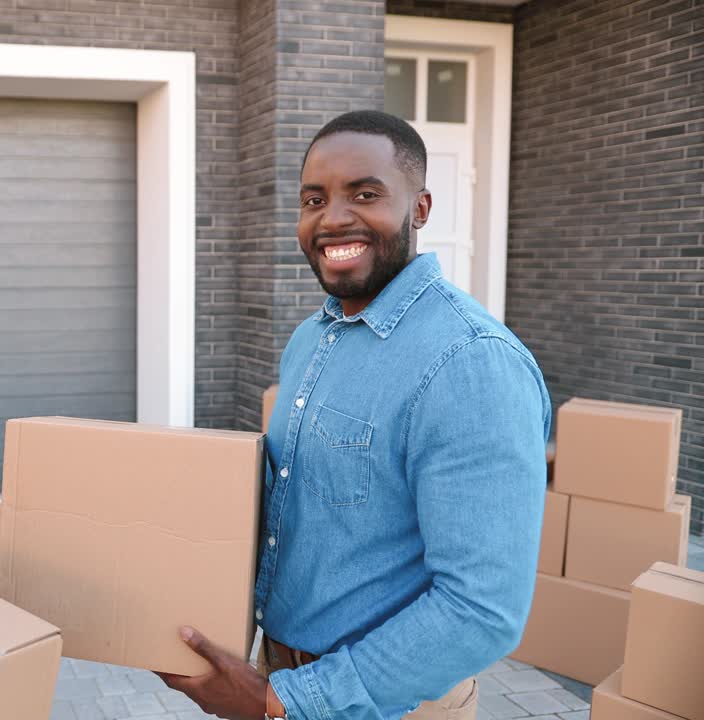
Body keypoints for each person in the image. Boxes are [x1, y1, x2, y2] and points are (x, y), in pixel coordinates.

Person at [161, 110, 550, 720]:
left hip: (382, 701)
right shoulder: (313, 338)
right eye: (314, 198)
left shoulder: (471, 364)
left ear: (419, 209)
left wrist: (283, 701)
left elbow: (481, 610)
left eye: (364, 194)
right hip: (276, 668)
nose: (333, 217)